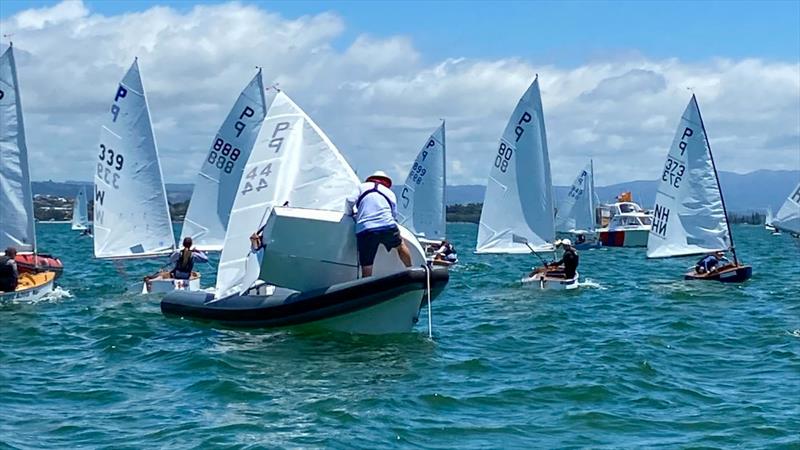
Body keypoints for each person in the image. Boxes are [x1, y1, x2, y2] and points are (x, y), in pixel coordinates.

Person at [347, 170, 412, 277]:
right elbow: (394, 214)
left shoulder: (362, 187)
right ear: (386, 182)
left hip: (366, 229)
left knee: (367, 265)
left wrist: (349, 214)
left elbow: (349, 200)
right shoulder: (389, 193)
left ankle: (367, 285)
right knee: (400, 245)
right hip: (388, 226)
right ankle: (411, 269)